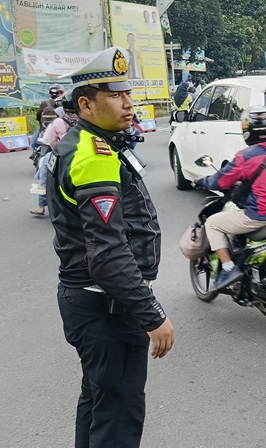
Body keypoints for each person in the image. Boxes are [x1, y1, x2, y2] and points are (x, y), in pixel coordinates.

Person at [48, 47, 175, 448]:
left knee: (99, 402)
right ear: (85, 104)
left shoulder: (83, 142)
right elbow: (107, 253)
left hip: (88, 302)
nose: (128, 103)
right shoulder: (93, 155)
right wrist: (152, 314)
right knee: (118, 418)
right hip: (107, 308)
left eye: (127, 93)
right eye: (115, 95)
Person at [195, 106, 266, 290]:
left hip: (259, 216)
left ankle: (228, 268)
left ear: (247, 131)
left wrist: (203, 181)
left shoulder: (245, 157)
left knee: (212, 224)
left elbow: (221, 181)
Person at [30, 89, 78, 217]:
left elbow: (51, 142)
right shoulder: (87, 119)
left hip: (64, 154)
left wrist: (59, 150)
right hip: (83, 152)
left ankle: (41, 195)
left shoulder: (58, 121)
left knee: (44, 162)